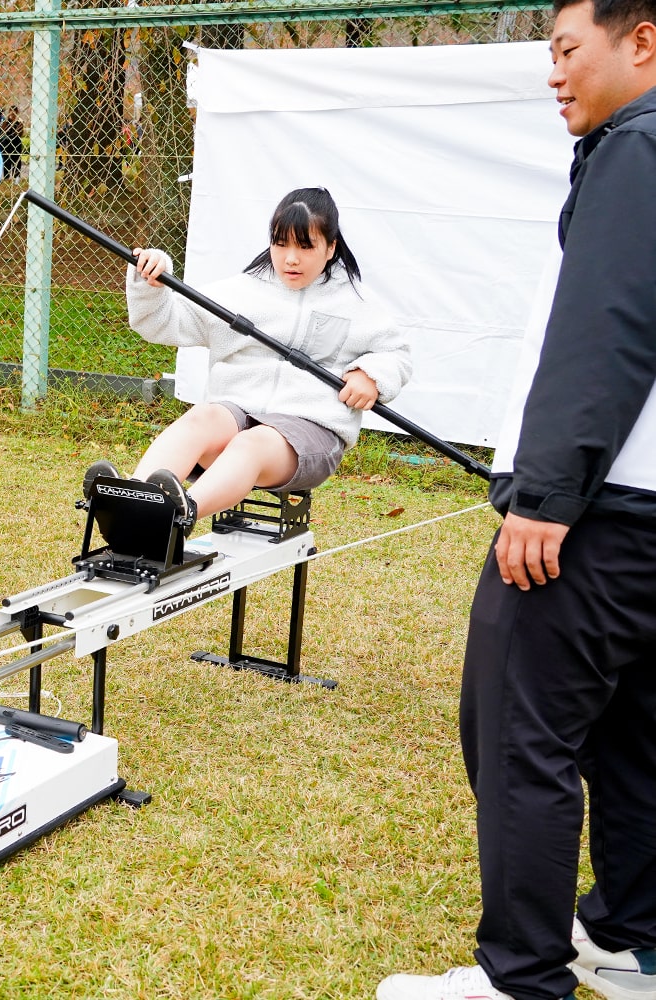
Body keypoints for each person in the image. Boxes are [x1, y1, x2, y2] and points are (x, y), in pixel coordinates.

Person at [377, 1, 656, 998]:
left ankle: (520, 978)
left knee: (516, 728)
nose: (554, 74)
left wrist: (546, 491)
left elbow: (609, 322)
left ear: (643, 42)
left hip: (604, 510)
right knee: (632, 733)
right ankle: (631, 938)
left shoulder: (638, 147)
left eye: (568, 50)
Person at [108, 188, 410, 534]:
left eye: (305, 246)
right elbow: (161, 322)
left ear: (331, 248)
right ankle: (132, 504)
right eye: (281, 244)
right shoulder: (243, 292)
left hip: (309, 431)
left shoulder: (357, 305)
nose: (290, 259)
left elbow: (397, 355)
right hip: (238, 414)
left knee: (251, 443)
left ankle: (176, 518)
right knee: (205, 414)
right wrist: (153, 283)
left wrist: (371, 375)